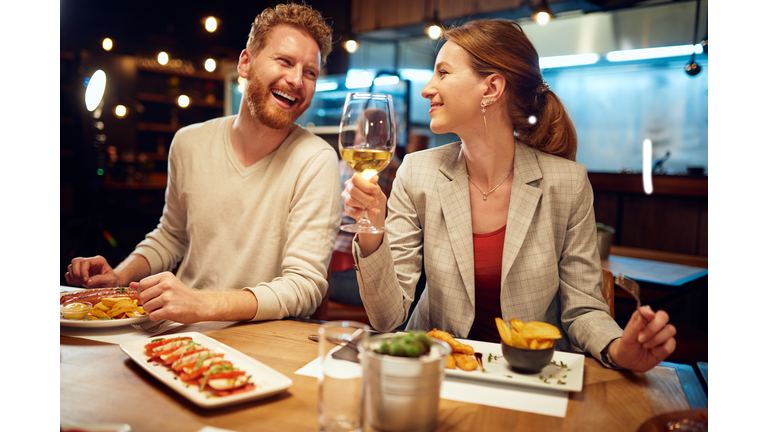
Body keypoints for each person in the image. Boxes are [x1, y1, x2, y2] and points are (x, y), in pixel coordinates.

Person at [341, 19, 676, 373]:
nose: (427, 88)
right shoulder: (417, 172)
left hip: (532, 375)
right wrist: (371, 230)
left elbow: (583, 309)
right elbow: (387, 318)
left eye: (443, 72)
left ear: (492, 88)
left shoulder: (567, 182)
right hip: (439, 370)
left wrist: (617, 348)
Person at [65, 3, 340, 324]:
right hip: (181, 327)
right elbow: (171, 234)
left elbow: (304, 286)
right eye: (285, 61)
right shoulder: (188, 141)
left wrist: (202, 304)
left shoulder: (316, 160)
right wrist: (119, 276)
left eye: (310, 72)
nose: (296, 80)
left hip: (263, 336)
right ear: (246, 63)